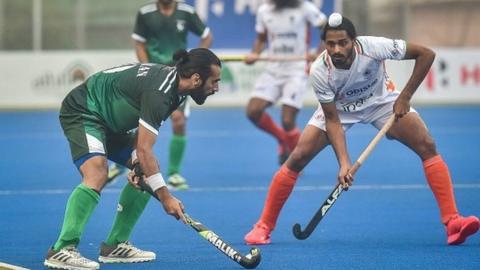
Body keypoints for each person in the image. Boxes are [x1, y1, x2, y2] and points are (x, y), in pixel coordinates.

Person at [244, 13, 480, 245]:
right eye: (330, 44)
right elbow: (332, 120)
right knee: (298, 157)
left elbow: (426, 54)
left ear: (354, 41)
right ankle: (263, 226)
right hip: (340, 108)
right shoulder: (319, 70)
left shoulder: (374, 47)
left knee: (426, 144)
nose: (336, 50)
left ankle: (452, 222)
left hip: (382, 102)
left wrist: (405, 97)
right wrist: (344, 163)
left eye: (343, 43)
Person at [44, 48, 222, 270]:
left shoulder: (176, 90)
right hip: (84, 111)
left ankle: (115, 245)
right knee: (98, 172)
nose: (216, 87)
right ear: (196, 79)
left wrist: (139, 165)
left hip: (111, 124)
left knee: (149, 171)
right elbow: (146, 149)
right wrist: (166, 198)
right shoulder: (161, 91)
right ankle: (62, 249)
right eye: (214, 81)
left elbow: (142, 137)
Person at [108, 0, 213, 190]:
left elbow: (207, 36)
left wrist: (193, 59)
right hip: (153, 79)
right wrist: (148, 66)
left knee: (179, 120)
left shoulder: (186, 12)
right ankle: (122, 163)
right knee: (139, 121)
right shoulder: (145, 13)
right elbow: (139, 43)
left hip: (180, 77)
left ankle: (174, 173)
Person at [244, 0, 326, 164]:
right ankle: (283, 139)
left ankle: (295, 162)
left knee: (288, 120)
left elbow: (326, 28)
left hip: (296, 70)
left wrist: (319, 53)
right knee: (253, 111)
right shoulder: (264, 11)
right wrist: (255, 53)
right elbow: (261, 38)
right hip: (272, 70)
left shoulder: (305, 8)